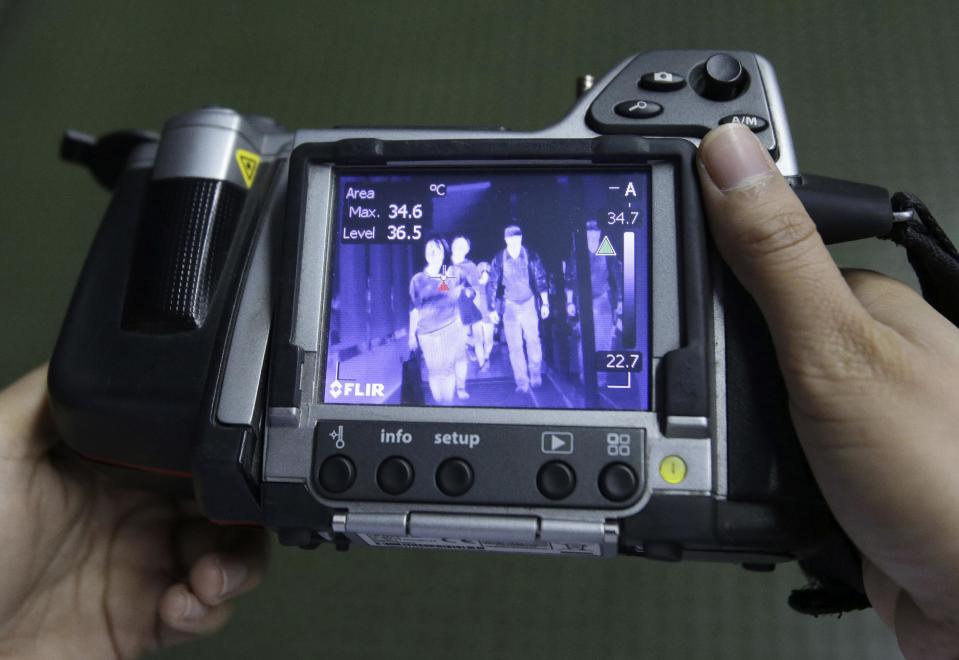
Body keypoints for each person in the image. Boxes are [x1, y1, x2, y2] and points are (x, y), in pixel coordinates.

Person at [0, 122, 957, 659]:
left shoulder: (509, 268)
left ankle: (533, 383)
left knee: (525, 367)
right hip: (442, 343)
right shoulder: (434, 275)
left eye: (480, 243)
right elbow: (427, 300)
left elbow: (521, 291)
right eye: (468, 243)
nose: (475, 245)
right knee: (460, 375)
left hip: (501, 332)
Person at [488, 225, 550, 393]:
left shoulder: (531, 255)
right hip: (509, 307)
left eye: (517, 237)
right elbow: (492, 284)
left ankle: (535, 374)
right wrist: (491, 309)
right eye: (510, 238)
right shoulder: (499, 259)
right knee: (514, 345)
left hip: (529, 303)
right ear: (505, 239)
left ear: (521, 238)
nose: (514, 241)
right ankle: (521, 381)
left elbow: (541, 278)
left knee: (533, 340)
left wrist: (545, 303)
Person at [408, 237, 470, 403]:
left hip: (449, 328)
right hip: (426, 333)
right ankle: (439, 405)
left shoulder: (449, 274)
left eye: (436, 250)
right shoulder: (418, 280)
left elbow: (460, 294)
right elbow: (414, 310)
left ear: (443, 254)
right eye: (429, 249)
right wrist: (411, 336)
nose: (432, 253)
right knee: (434, 370)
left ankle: (447, 406)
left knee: (447, 370)